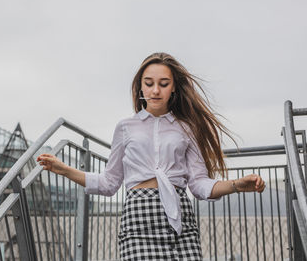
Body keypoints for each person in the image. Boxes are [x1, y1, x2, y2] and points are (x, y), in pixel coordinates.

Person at [37, 52, 266, 260]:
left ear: (173, 88)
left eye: (164, 84)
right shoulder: (125, 127)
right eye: (149, 84)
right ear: (140, 88)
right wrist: (63, 169)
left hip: (179, 219)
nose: (156, 90)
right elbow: (109, 183)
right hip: (139, 220)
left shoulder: (187, 128)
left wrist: (236, 185)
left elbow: (199, 184)